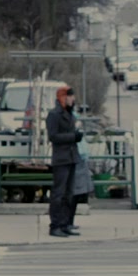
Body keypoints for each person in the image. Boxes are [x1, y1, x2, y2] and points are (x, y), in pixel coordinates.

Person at [45, 85, 83, 238]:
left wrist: (76, 134)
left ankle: (65, 223)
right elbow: (53, 136)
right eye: (70, 96)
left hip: (71, 156)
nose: (73, 99)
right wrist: (73, 136)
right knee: (59, 193)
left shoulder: (69, 113)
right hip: (61, 158)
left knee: (69, 193)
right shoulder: (54, 114)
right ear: (63, 97)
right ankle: (55, 225)